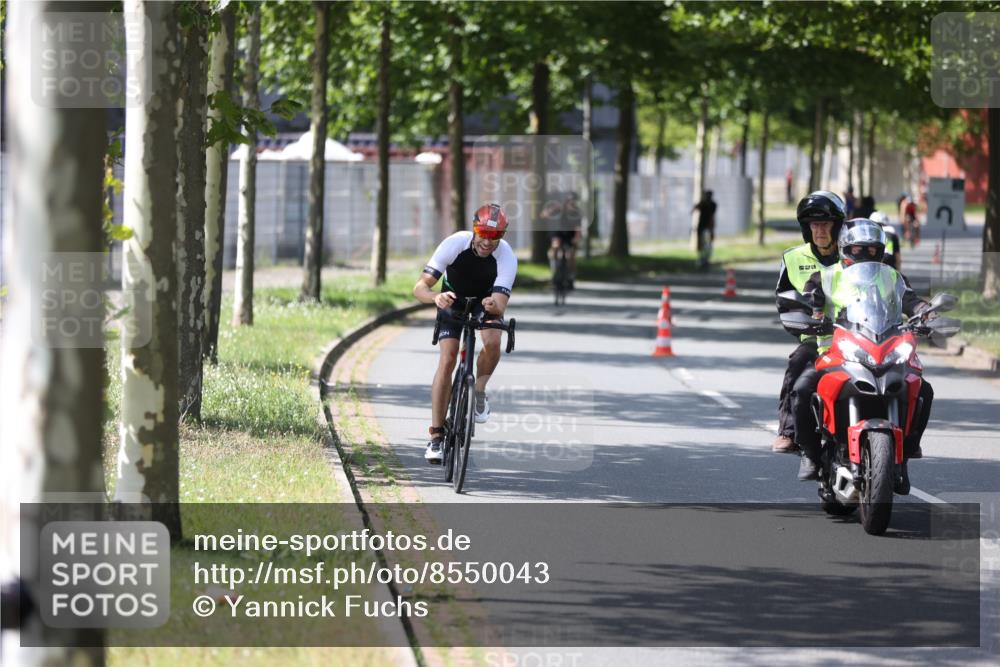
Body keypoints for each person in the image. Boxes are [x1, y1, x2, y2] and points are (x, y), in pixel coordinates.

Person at [791, 218, 935, 491]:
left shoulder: (892, 277)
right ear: (845, 248)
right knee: (801, 390)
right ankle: (810, 454)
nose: (864, 254)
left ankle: (906, 452)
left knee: (923, 389)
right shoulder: (826, 276)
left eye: (871, 249)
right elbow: (810, 299)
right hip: (835, 351)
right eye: (858, 248)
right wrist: (813, 312)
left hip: (883, 347)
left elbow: (910, 300)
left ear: (880, 251)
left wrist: (926, 313)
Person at [413, 203, 518, 464]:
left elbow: (500, 304)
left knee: (493, 340)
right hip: (452, 301)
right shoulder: (454, 243)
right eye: (483, 234)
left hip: (486, 303)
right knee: (448, 359)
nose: (487, 242)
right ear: (474, 229)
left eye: (495, 236)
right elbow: (419, 288)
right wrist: (435, 297)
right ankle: (436, 436)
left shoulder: (506, 256)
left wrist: (493, 305)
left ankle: (478, 391)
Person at [772, 191, 845, 454]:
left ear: (838, 226)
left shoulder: (853, 255)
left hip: (857, 335)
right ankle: (789, 431)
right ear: (807, 228)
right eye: (814, 224)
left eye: (825, 224)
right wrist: (805, 319)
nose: (820, 230)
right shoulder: (792, 257)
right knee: (797, 363)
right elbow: (784, 299)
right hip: (817, 336)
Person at [549, 192, 582, 288]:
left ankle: (571, 277)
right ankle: (555, 271)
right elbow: (545, 215)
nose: (571, 204)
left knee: (571, 255)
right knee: (555, 248)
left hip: (570, 235)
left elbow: (578, 229)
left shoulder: (577, 213)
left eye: (573, 202)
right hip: (558, 234)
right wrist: (553, 209)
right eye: (569, 201)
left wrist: (576, 238)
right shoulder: (559, 209)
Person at [692, 190, 717, 270]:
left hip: (708, 227)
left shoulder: (713, 204)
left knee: (707, 244)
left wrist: (711, 229)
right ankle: (701, 258)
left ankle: (706, 259)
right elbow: (694, 209)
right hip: (701, 227)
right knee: (701, 244)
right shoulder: (702, 203)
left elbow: (711, 215)